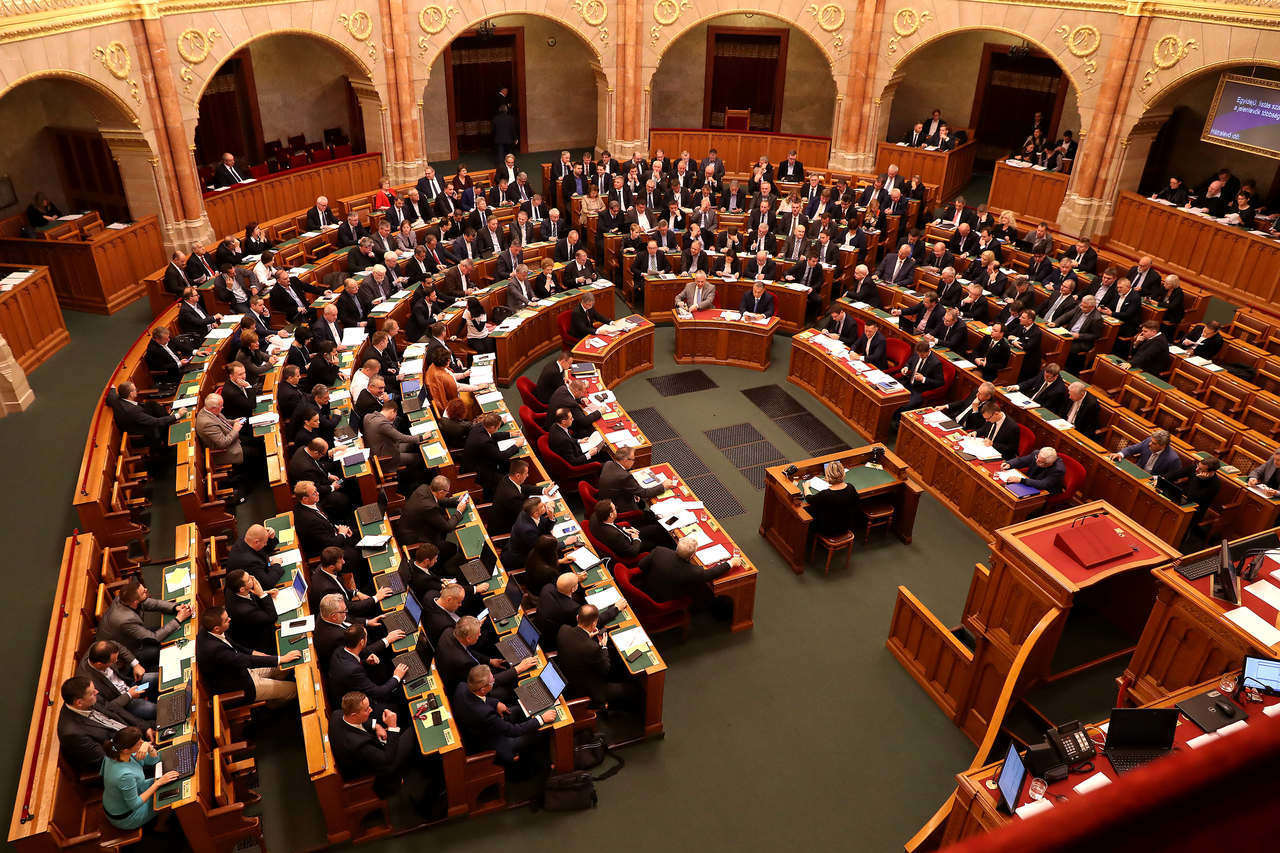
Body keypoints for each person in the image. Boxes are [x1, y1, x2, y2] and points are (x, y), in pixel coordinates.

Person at [196, 606, 300, 704]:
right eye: (226, 620)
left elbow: (234, 646)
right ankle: (272, 705)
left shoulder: (206, 629)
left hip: (243, 670)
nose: (230, 619)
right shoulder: (215, 649)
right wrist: (281, 658)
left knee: (283, 669)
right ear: (216, 629)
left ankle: (275, 693)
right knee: (294, 689)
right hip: (242, 684)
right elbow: (245, 660)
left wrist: (254, 652)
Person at [453, 665, 554, 766]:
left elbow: (477, 699)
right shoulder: (485, 713)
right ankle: (547, 763)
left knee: (518, 710)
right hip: (492, 741)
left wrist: (495, 703)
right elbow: (512, 731)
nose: (493, 683)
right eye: (492, 682)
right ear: (483, 689)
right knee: (541, 731)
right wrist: (541, 719)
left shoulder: (462, 686)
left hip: (478, 727)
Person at [330, 692, 418, 797]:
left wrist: (376, 726)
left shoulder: (337, 714)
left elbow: (358, 721)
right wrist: (392, 727)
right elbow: (387, 759)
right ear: (354, 715)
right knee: (414, 730)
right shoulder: (358, 745)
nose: (371, 709)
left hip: (371, 750)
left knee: (405, 731)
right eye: (367, 709)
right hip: (378, 769)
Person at [57, 677, 149, 775]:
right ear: (79, 703)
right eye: (92, 693)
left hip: (135, 737)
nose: (97, 692)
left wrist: (145, 728)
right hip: (126, 761)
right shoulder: (72, 733)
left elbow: (117, 711)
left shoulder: (87, 698)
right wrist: (136, 749)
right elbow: (104, 760)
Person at [557, 605, 640, 709]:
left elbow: (578, 641)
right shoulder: (592, 648)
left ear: (577, 617)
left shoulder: (563, 630)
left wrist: (588, 637)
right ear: (594, 624)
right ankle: (609, 707)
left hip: (568, 677)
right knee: (633, 690)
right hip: (589, 688)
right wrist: (603, 647)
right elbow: (606, 669)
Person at [97, 578, 189, 670]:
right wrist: (178, 619)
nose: (146, 589)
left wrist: (175, 607)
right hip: (129, 649)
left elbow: (152, 603)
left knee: (169, 632)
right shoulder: (125, 620)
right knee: (165, 649)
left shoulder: (125, 598)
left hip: (134, 634)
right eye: (143, 592)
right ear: (135, 602)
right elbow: (154, 638)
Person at [99, 727, 178, 831]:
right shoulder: (124, 775)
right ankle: (160, 826)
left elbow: (156, 759)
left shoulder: (116, 750)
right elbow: (134, 804)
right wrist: (158, 783)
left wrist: (149, 747)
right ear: (126, 750)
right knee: (169, 796)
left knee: (168, 782)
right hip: (126, 815)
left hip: (132, 791)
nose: (143, 743)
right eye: (139, 743)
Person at [638, 536, 740, 605]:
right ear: (692, 555)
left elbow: (641, 565)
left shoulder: (659, 551)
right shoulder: (693, 572)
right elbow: (710, 574)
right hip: (667, 598)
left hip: (647, 587)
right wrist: (731, 563)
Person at [328, 624, 408, 708]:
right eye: (366, 637)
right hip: (351, 705)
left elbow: (356, 658)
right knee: (396, 707)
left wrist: (365, 662)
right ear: (362, 642)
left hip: (344, 687)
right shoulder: (353, 671)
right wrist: (397, 677)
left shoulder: (339, 650)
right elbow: (378, 692)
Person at [78, 641, 156, 723]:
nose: (116, 662)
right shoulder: (89, 685)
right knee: (155, 709)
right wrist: (129, 695)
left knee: (157, 678)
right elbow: (107, 708)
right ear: (99, 664)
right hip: (125, 704)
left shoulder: (97, 647)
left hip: (132, 684)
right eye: (113, 661)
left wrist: (135, 665)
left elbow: (119, 647)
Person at [463, 412, 522, 497]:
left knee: (507, 464)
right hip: (479, 470)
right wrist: (516, 445)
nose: (498, 428)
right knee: (507, 479)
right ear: (492, 427)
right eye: (498, 427)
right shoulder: (485, 442)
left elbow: (492, 435)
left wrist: (510, 434)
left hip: (476, 460)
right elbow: (501, 456)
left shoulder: (479, 426)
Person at [224, 569, 279, 655]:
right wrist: (262, 595)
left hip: (253, 624)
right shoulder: (244, 611)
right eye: (249, 579)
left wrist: (265, 593)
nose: (253, 578)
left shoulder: (231, 589)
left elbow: (249, 595)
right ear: (242, 589)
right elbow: (273, 618)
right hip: (261, 641)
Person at [804, 461, 862, 538]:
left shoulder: (825, 494)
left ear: (827, 476)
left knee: (807, 511)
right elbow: (857, 503)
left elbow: (809, 499)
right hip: (846, 526)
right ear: (843, 473)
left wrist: (806, 487)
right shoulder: (850, 487)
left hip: (827, 530)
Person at [1109, 429, 1181, 476]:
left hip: (1150, 482)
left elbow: (1172, 478)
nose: (1150, 444)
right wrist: (1120, 454)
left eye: (1154, 443)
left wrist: (1157, 479)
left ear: (1163, 446)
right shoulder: (1148, 441)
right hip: (1137, 472)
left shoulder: (1173, 459)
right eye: (1151, 441)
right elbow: (1131, 449)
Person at [898, 340, 944, 410]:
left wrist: (923, 379)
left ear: (928, 351)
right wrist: (906, 367)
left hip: (919, 390)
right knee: (893, 398)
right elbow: (909, 362)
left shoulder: (936, 363)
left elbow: (940, 382)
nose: (919, 356)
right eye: (918, 354)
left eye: (922, 355)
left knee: (905, 405)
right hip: (907, 383)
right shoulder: (917, 353)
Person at [1001, 447, 1066, 494]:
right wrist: (1009, 464)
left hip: (1046, 490)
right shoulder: (1037, 454)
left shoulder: (1058, 470)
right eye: (1037, 458)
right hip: (1029, 481)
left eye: (1040, 461)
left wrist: (1021, 480)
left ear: (1048, 464)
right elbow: (1022, 461)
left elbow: (1043, 484)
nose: (1036, 461)